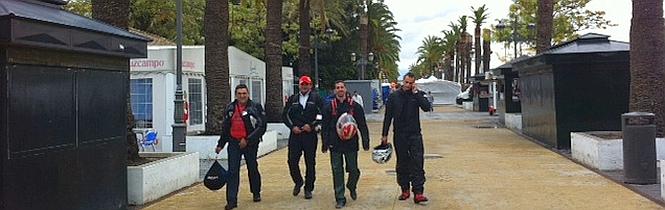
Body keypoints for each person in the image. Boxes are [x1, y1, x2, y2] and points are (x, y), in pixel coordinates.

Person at [380, 72, 432, 204]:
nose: (408, 85)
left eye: (411, 83)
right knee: (402, 162)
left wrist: (416, 93)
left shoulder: (417, 95)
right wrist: (384, 135)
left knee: (417, 162)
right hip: (400, 134)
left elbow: (426, 107)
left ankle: (418, 192)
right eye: (407, 82)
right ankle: (404, 189)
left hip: (415, 134)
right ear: (403, 81)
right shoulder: (394, 97)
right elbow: (388, 117)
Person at [215, 84, 267, 210]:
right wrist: (221, 144)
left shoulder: (255, 107)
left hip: (250, 144)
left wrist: (248, 139)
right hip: (234, 143)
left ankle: (256, 192)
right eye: (239, 93)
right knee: (232, 171)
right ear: (236, 95)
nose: (242, 96)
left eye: (244, 93)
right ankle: (232, 200)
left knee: (252, 167)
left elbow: (262, 126)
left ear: (248, 94)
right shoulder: (230, 108)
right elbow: (226, 128)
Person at [321, 81, 370, 209]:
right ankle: (340, 198)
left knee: (353, 170)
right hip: (335, 144)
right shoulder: (329, 106)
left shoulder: (355, 106)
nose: (340, 89)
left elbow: (362, 125)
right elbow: (325, 126)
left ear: (346, 89)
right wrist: (324, 143)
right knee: (337, 170)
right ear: (334, 90)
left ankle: (351, 185)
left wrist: (366, 141)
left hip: (351, 144)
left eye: (342, 87)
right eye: (337, 88)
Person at [282, 75, 324, 199]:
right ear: (299, 85)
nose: (304, 86)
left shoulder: (316, 98)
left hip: (309, 135)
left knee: (310, 163)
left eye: (307, 84)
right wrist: (292, 127)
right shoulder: (293, 99)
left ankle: (308, 188)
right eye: (302, 84)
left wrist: (312, 125)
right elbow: (285, 115)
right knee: (292, 161)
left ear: (310, 85)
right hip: (295, 135)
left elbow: (321, 115)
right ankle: (298, 181)